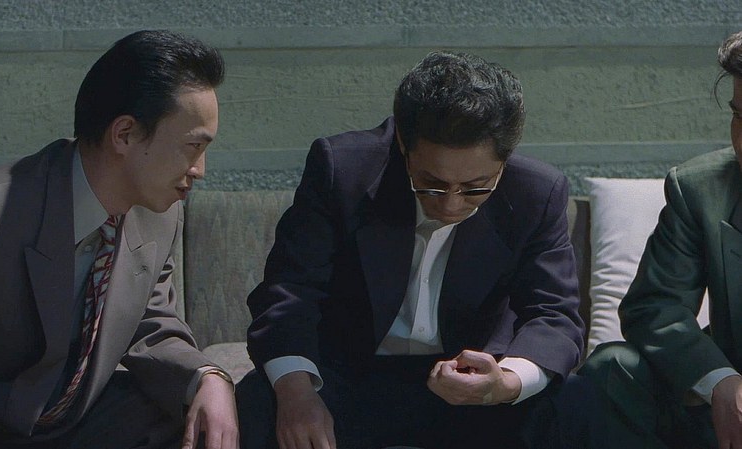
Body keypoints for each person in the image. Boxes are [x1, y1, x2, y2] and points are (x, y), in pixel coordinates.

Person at [237, 51, 602, 449]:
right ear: (402, 144)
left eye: (476, 188)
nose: (451, 204)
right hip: (351, 379)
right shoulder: (342, 169)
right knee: (262, 400)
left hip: (472, 388)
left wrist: (505, 383)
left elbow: (554, 315)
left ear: (504, 161)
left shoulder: (536, 192)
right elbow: (290, 292)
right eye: (432, 184)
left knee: (575, 402)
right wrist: (296, 394)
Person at [0, 30, 238, 449]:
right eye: (193, 147)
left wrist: (207, 378)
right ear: (125, 134)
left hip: (68, 424)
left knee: (207, 414)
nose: (200, 170)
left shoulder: (160, 214)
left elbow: (150, 323)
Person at [579, 30, 742, 449]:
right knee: (614, 368)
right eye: (739, 117)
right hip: (724, 406)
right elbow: (654, 307)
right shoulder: (700, 189)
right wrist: (720, 382)